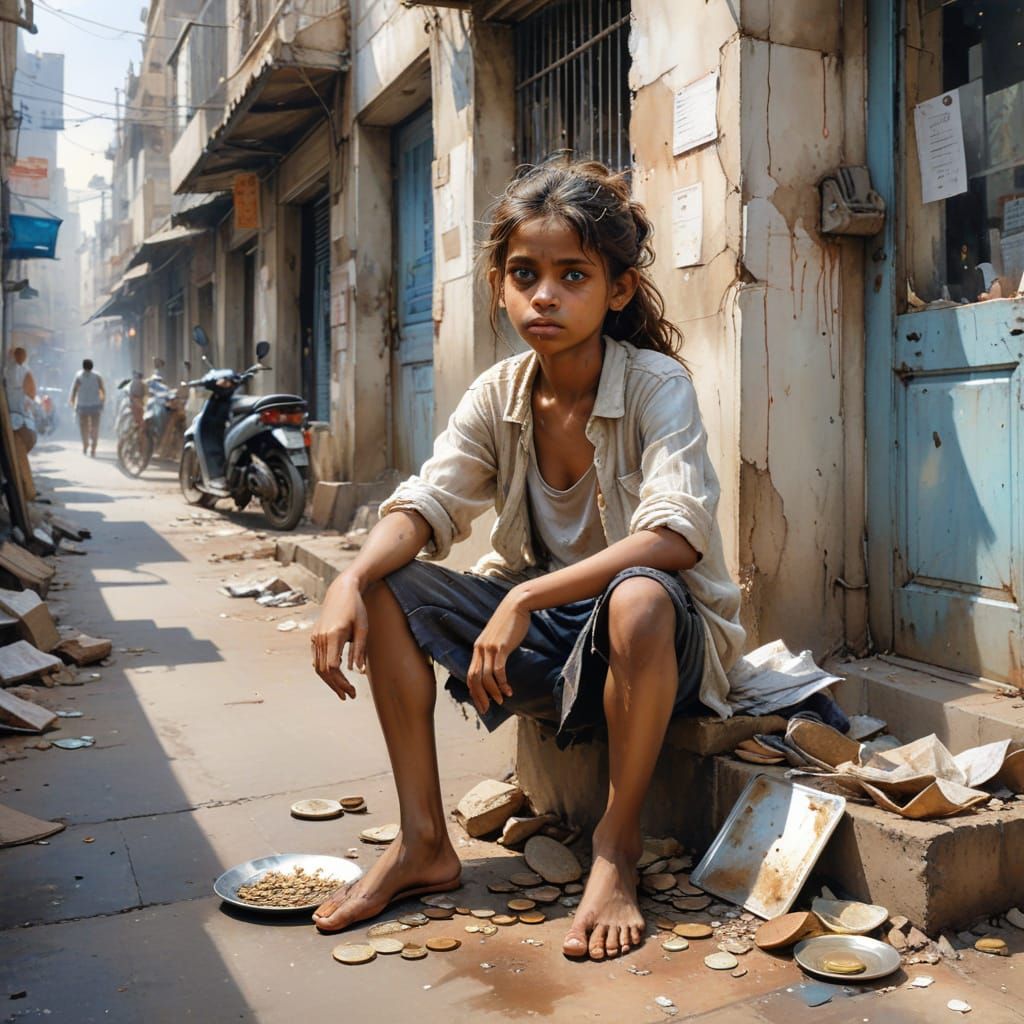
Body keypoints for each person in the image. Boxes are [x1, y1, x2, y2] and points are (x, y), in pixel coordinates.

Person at [309, 162, 744, 961]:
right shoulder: (500, 393)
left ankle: (615, 850)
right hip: (557, 639)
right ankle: (423, 844)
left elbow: (676, 538)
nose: (544, 295)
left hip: (655, 644)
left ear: (616, 290)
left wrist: (526, 599)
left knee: (640, 595)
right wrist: (350, 575)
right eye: (525, 274)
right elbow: (426, 503)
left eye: (572, 275)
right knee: (387, 588)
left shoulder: (657, 385)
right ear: (501, 286)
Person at [5, 346, 37, 500]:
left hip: (13, 415)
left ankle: (23, 488)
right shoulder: (23, 371)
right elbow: (31, 392)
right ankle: (24, 489)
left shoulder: (9, 370)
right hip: (17, 417)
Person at [69, 358, 106, 457]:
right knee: (95, 427)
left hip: (82, 406)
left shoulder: (79, 376)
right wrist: (102, 402)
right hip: (95, 406)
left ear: (83, 366)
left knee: (83, 427)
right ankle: (93, 448)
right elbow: (102, 391)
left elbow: (74, 390)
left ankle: (85, 445)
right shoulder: (97, 376)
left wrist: (72, 402)